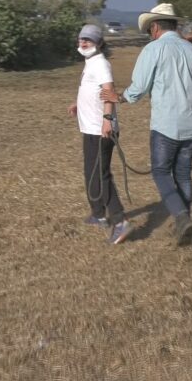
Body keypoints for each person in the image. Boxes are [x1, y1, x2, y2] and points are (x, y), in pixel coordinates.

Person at [100, 3, 192, 246]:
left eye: (150, 29)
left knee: (161, 172)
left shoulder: (154, 49)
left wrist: (119, 97)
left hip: (166, 123)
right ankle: (185, 220)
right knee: (183, 173)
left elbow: (138, 88)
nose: (150, 33)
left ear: (156, 27)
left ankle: (181, 218)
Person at [67, 24, 133, 245]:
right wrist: (78, 104)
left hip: (100, 129)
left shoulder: (101, 64)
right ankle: (99, 214)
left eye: (89, 40)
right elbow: (93, 91)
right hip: (90, 127)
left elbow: (109, 91)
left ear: (99, 43)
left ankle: (120, 220)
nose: (83, 43)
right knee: (91, 171)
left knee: (101, 174)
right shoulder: (91, 63)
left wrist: (107, 120)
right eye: (81, 39)